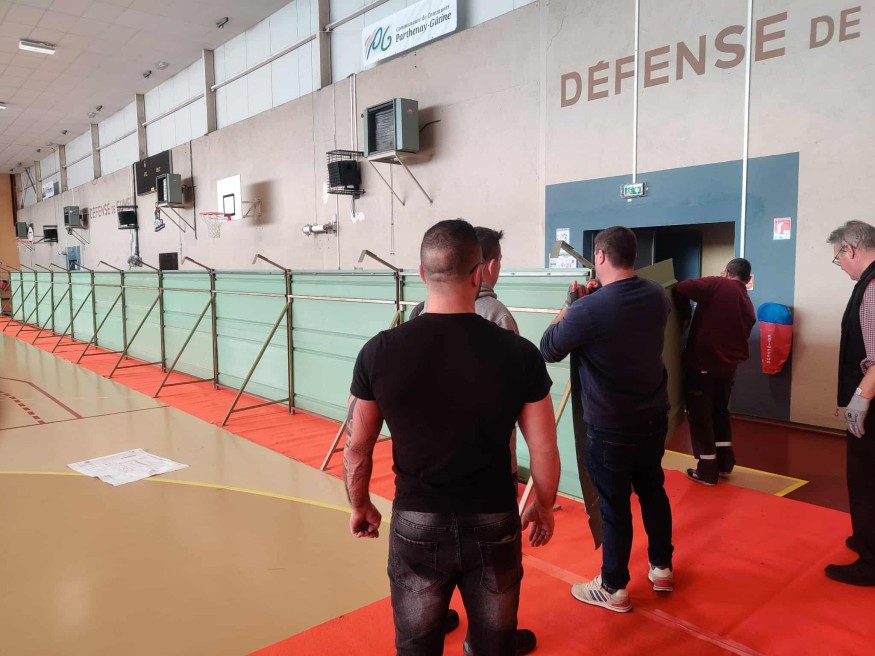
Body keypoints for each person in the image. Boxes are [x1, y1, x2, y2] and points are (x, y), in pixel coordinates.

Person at [344, 219, 561, 654]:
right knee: (493, 645)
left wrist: (360, 504)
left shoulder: (379, 351)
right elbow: (543, 447)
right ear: (478, 274)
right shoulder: (518, 354)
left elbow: (357, 447)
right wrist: (543, 505)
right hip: (494, 519)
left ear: (422, 274)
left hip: (416, 520)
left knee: (416, 645)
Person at [410, 226, 535, 655]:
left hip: (428, 472)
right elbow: (519, 399)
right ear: (487, 267)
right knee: (490, 567)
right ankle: (485, 637)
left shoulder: (418, 313)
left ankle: (436, 613)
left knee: (431, 553)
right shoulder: (498, 317)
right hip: (488, 473)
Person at [539, 226, 674, 613]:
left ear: (599, 256)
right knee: (653, 491)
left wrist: (570, 306)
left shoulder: (588, 310)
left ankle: (613, 587)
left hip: (611, 426)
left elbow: (548, 348)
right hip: (653, 417)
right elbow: (623, 317)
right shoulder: (656, 294)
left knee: (614, 505)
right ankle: (662, 568)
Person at [672, 258, 756, 486]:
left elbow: (681, 287)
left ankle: (707, 470)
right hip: (728, 369)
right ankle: (725, 463)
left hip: (703, 366)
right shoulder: (747, 303)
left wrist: (684, 316)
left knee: (700, 417)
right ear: (747, 279)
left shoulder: (717, 284)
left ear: (726, 272)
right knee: (720, 412)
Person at [826, 220, 875, 586]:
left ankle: (870, 561)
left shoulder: (872, 287)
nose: (840, 265)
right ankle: (866, 539)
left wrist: (860, 398)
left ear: (851, 249)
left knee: (865, 479)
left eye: (838, 258)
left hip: (873, 403)